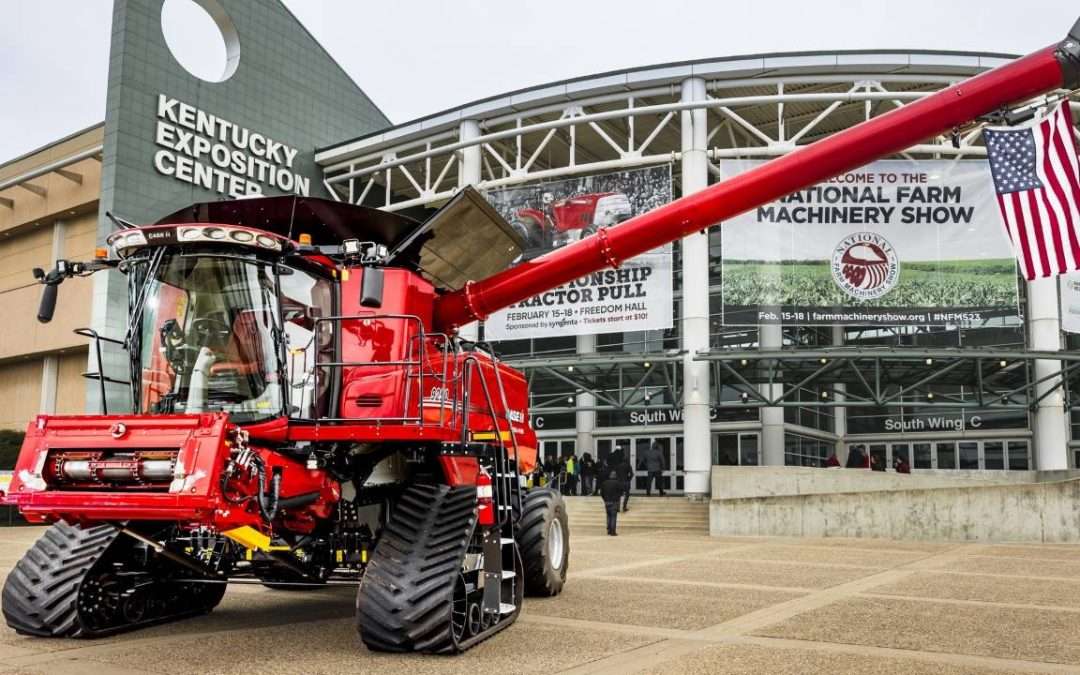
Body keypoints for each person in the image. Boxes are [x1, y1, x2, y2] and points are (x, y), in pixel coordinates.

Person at [599, 470, 622, 536]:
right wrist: (617, 498)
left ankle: (609, 530)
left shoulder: (605, 483)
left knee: (608, 516)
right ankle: (613, 531)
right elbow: (620, 492)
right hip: (614, 502)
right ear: (615, 476)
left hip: (607, 502)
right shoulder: (617, 483)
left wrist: (605, 499)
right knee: (613, 517)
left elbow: (601, 493)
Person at [613, 447, 633, 512]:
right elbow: (632, 474)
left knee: (618, 495)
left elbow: (615, 474)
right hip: (626, 482)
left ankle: (618, 508)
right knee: (627, 495)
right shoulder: (628, 465)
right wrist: (629, 479)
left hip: (619, 482)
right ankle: (624, 507)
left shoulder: (618, 466)